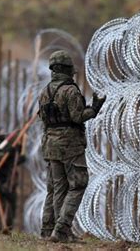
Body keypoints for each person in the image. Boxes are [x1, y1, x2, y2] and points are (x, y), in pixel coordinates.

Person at [39, 50, 105, 242]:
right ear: (67, 70)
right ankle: (61, 231)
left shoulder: (46, 91)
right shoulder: (70, 90)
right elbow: (78, 116)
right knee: (78, 184)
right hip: (69, 144)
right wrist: (94, 109)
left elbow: (43, 119)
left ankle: (48, 230)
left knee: (57, 188)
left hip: (50, 143)